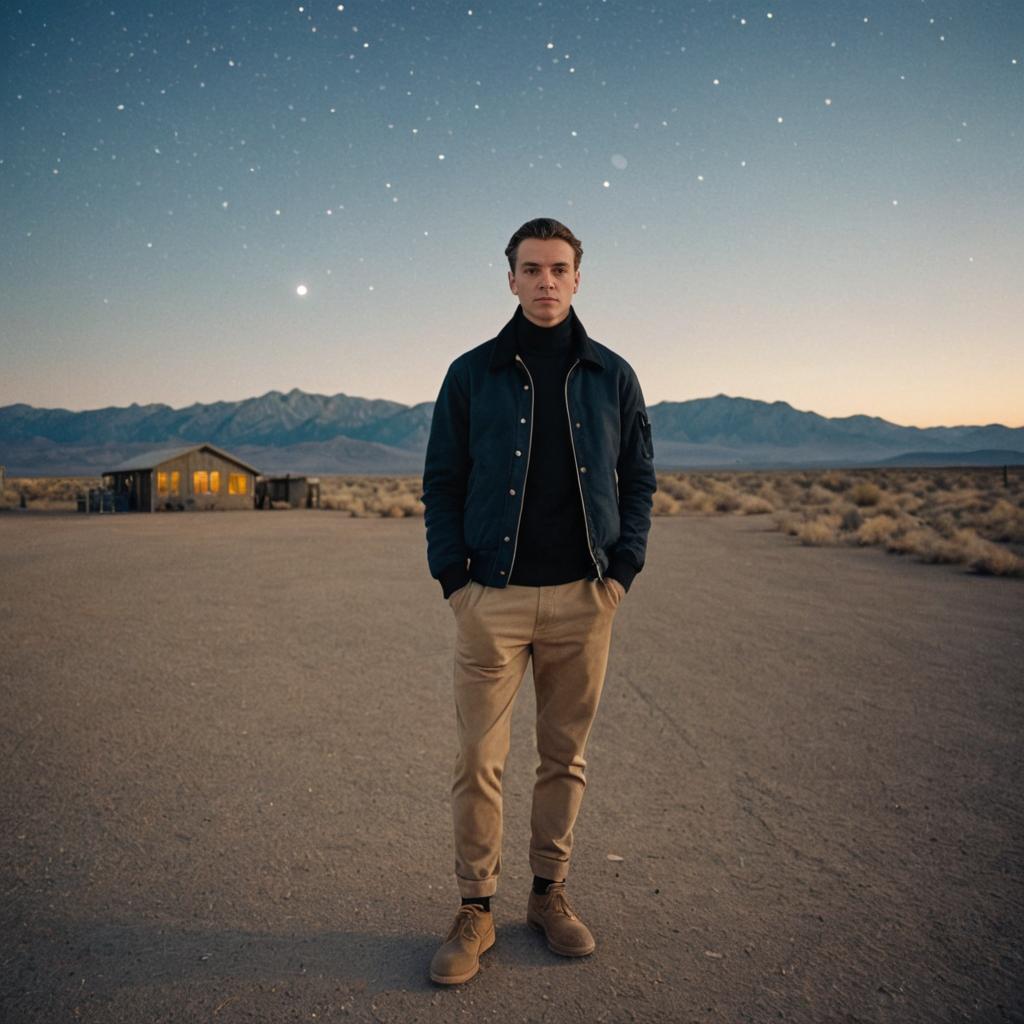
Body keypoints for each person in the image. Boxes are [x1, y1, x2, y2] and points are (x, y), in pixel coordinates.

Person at [421, 217, 656, 985]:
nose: (547, 282)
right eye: (532, 269)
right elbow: (442, 480)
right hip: (492, 595)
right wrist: (454, 580)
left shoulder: (612, 375)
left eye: (560, 269)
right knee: (478, 761)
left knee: (565, 758)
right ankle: (475, 910)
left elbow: (640, 478)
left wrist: (621, 572)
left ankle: (549, 895)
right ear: (511, 279)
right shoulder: (471, 374)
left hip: (585, 597)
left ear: (578, 279)